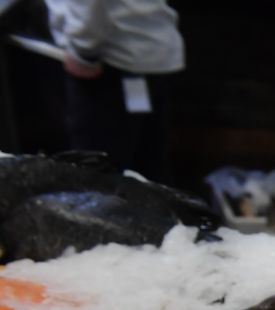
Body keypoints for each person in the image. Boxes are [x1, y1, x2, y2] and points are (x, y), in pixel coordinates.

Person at [46, 0, 185, 182]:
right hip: (147, 50)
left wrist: (83, 51)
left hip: (111, 61)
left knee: (95, 178)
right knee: (148, 167)